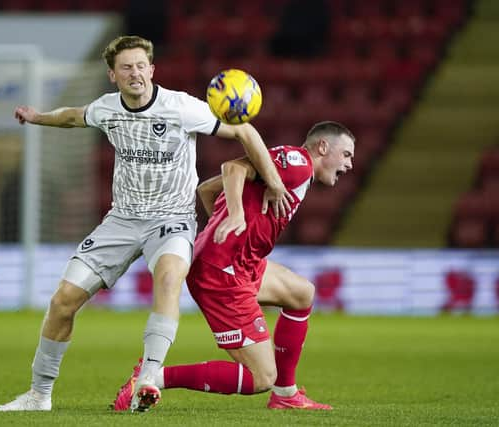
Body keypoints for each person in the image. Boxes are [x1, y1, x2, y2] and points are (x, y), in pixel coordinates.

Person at [0, 35, 291, 413]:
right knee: (62, 303)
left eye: (140, 66)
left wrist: (274, 181)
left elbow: (245, 131)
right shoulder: (107, 109)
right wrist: (38, 117)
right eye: (126, 68)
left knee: (169, 279)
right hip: (121, 220)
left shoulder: (181, 107)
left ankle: (148, 379)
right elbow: (72, 116)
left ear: (152, 70)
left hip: (172, 220)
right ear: (112, 75)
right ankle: (38, 396)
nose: (135, 73)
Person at [113, 121, 355, 411]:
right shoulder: (299, 164)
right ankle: (150, 377)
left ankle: (286, 395)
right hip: (223, 273)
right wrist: (236, 215)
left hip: (238, 264)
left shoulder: (288, 168)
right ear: (323, 147)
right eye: (347, 155)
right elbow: (232, 168)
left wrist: (225, 226)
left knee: (301, 293)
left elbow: (206, 189)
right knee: (262, 377)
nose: (350, 164)